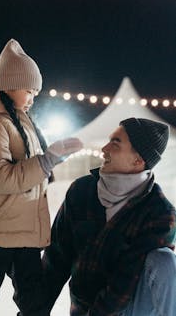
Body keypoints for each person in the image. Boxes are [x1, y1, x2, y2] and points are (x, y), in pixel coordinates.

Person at [0, 38, 83, 316]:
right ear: (9, 85)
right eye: (29, 90)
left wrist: (48, 163)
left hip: (21, 229)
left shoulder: (19, 120)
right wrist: (47, 161)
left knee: (34, 302)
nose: (33, 97)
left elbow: (30, 175)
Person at [42, 117, 176, 316]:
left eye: (115, 143)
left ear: (138, 160)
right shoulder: (82, 191)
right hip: (84, 307)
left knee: (164, 261)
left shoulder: (159, 213)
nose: (104, 149)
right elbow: (57, 258)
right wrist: (33, 310)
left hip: (129, 308)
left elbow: (125, 282)